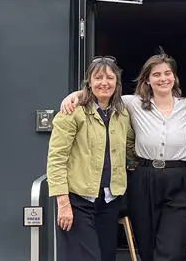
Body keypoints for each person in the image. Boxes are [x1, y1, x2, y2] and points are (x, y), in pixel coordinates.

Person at [61, 52, 186, 261]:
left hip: (181, 180)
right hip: (144, 180)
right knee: (148, 249)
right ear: (147, 79)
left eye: (167, 73)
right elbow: (103, 93)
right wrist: (75, 96)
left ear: (174, 78)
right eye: (156, 74)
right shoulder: (131, 104)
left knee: (172, 250)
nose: (163, 78)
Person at [46, 56, 134, 261]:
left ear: (117, 82)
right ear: (89, 82)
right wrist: (63, 203)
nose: (104, 82)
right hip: (78, 200)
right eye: (98, 77)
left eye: (110, 77)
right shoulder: (72, 112)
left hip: (109, 200)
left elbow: (130, 147)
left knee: (105, 257)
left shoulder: (121, 114)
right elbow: (56, 158)